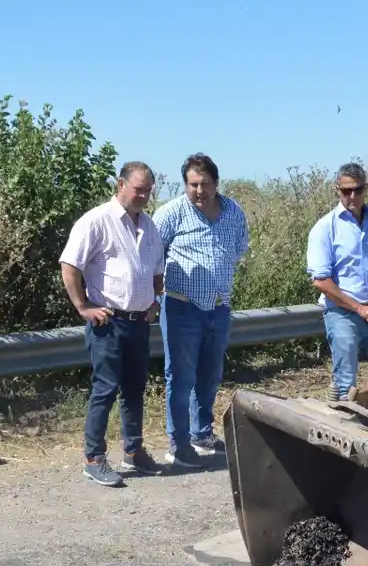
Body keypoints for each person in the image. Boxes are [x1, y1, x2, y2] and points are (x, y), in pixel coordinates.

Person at [60, 161, 166, 487]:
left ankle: (134, 452)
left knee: (135, 390)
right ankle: (94, 458)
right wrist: (83, 306)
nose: (144, 196)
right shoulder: (96, 221)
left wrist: (153, 301)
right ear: (120, 185)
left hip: (138, 323)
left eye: (149, 190)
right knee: (105, 389)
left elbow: (156, 270)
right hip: (108, 322)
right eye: (138, 190)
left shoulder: (149, 225)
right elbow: (69, 265)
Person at [153, 153, 249, 467]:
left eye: (204, 184)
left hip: (219, 309)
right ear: (185, 184)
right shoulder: (171, 213)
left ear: (216, 183)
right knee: (180, 378)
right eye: (193, 184)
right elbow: (152, 256)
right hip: (182, 307)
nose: (199, 191)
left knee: (209, 376)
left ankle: (201, 434)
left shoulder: (233, 211)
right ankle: (178, 444)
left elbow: (237, 249)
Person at [305, 163, 368, 400]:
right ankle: (343, 424)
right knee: (345, 385)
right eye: (346, 190)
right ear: (337, 190)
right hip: (342, 314)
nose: (352, 196)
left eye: (357, 190)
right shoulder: (325, 228)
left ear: (365, 189)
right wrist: (358, 308)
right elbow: (321, 281)